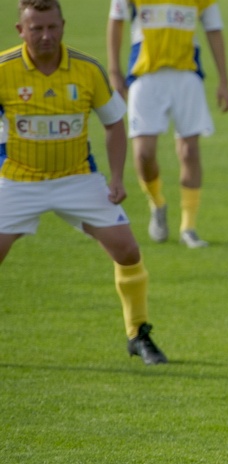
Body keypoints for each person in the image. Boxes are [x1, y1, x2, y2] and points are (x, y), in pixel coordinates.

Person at [0, 0, 166, 366]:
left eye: (52, 27)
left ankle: (138, 333)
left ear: (63, 25)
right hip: (17, 178)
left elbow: (113, 124)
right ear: (20, 30)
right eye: (36, 28)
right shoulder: (3, 69)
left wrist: (119, 177)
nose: (45, 35)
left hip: (77, 177)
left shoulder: (87, 69)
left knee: (127, 250)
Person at [106, 0, 228, 248]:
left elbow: (214, 29)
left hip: (187, 75)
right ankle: (157, 203)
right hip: (145, 75)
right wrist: (114, 70)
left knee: (190, 152)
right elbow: (116, 20)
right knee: (143, 154)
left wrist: (224, 81)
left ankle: (189, 227)